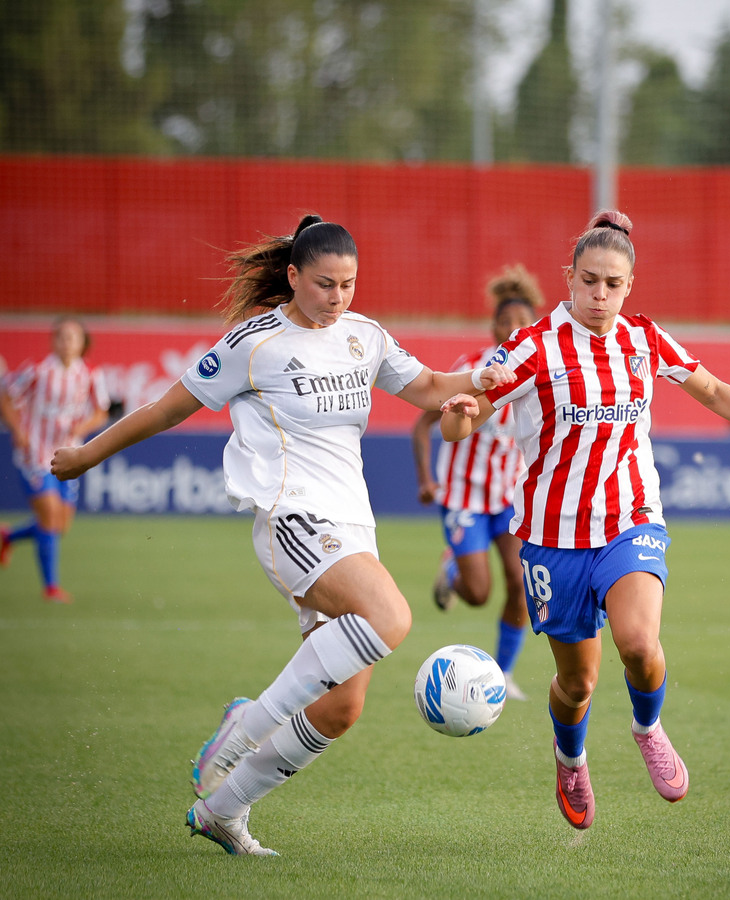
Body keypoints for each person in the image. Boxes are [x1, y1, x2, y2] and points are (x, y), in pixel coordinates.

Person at [51, 214, 515, 856]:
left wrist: (480, 384)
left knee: (341, 709)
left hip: (353, 528)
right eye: (325, 284)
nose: (338, 298)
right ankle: (246, 725)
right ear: (293, 277)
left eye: (349, 285)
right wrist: (86, 455)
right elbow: (166, 409)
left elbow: (433, 387)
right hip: (291, 518)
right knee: (390, 616)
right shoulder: (254, 343)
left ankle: (222, 810)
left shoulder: (365, 337)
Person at [439, 210, 730, 830]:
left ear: (630, 285)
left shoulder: (645, 338)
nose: (600, 294)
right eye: (588, 281)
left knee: (638, 644)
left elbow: (713, 391)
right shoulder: (532, 348)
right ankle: (571, 757)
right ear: (569, 279)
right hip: (552, 538)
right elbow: (463, 417)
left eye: (613, 283)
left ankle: (648, 726)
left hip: (630, 519)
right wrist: (457, 410)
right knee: (576, 683)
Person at [411, 265, 543, 701]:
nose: (514, 330)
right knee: (479, 594)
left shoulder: (541, 375)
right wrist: (428, 479)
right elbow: (423, 425)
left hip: (510, 500)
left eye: (523, 323)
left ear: (534, 327)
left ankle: (501, 675)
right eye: (507, 322)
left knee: (520, 584)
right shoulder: (471, 369)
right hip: (464, 497)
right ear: (494, 327)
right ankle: (452, 568)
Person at [0, 317, 110, 603]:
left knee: (60, 526)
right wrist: (18, 429)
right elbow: (6, 398)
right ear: (54, 341)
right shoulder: (37, 371)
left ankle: (7, 537)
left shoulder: (89, 375)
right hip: (35, 453)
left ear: (82, 343)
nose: (67, 342)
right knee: (48, 516)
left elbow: (101, 411)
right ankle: (51, 588)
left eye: (73, 337)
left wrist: (81, 429)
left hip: (69, 454)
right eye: (62, 337)